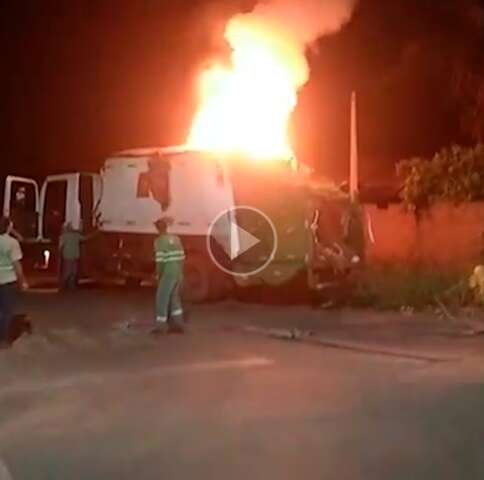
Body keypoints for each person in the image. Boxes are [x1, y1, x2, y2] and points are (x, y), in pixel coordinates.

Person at [153, 218, 185, 334]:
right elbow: (182, 257)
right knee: (174, 298)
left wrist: (159, 275)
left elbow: (160, 262)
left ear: (157, 229)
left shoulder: (159, 242)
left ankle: (160, 327)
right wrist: (180, 271)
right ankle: (178, 325)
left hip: (168, 273)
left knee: (161, 298)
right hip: (177, 272)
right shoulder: (176, 239)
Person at [0, 216, 28, 346]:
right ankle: (4, 339)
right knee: (7, 310)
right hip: (7, 280)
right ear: (8, 227)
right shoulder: (12, 243)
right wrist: (22, 281)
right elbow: (16, 264)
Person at [58, 222, 92, 290]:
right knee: (72, 271)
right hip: (74, 255)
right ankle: (69, 285)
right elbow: (85, 238)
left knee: (68, 271)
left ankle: (65, 286)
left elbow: (60, 247)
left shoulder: (64, 236)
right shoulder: (75, 235)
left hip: (68, 256)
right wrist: (94, 234)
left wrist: (60, 254)